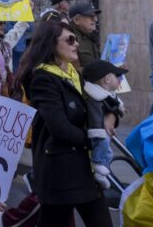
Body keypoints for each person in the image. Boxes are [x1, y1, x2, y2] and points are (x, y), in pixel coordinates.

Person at [16, 21, 112, 226]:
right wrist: (93, 140)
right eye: (70, 40)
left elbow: (99, 102)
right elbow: (59, 127)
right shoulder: (43, 78)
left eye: (75, 39)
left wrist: (111, 116)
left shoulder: (74, 74)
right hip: (60, 171)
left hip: (84, 167)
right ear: (51, 44)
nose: (76, 44)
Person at [80, 60, 126, 189]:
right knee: (103, 145)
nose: (120, 79)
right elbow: (95, 117)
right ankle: (97, 164)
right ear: (107, 79)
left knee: (108, 153)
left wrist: (120, 108)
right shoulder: (95, 97)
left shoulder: (106, 94)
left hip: (104, 130)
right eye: (117, 76)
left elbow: (115, 101)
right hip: (98, 132)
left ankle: (101, 173)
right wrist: (98, 132)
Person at [68, 3, 101, 71]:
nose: (95, 19)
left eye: (95, 16)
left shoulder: (88, 36)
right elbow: (73, 71)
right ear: (77, 20)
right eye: (91, 16)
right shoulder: (70, 39)